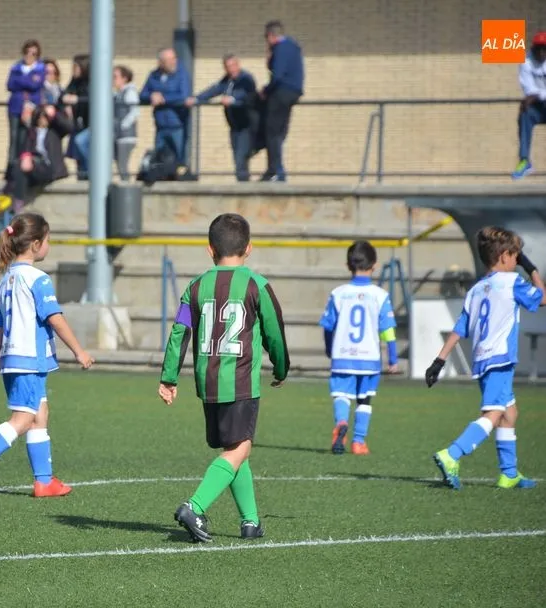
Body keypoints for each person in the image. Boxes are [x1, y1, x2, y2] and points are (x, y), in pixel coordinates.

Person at [159, 213, 290, 542]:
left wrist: (169, 377)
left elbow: (180, 332)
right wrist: (281, 367)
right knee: (239, 448)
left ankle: (250, 522)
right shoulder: (256, 285)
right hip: (242, 381)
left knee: (236, 448)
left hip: (208, 381)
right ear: (249, 248)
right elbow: (275, 331)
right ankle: (195, 506)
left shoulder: (194, 287)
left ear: (209, 249)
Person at [0, 213, 94, 501]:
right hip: (29, 359)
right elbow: (55, 318)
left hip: (12, 360)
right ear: (37, 244)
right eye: (49, 241)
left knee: (39, 415)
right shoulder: (38, 279)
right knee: (23, 418)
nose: (48, 246)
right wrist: (79, 350)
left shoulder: (7, 280)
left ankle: (44, 481)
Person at [426, 227, 545, 490]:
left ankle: (509, 473)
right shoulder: (513, 282)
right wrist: (532, 268)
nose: (518, 261)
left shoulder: (477, 289)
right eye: (516, 256)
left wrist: (439, 360)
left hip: (481, 360)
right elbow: (543, 297)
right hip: (501, 359)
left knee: (509, 413)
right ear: (505, 256)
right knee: (493, 413)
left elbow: (460, 328)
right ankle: (452, 454)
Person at [318, 241, 398, 456]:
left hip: (342, 355)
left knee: (341, 395)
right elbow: (388, 331)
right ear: (375, 265)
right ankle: (358, 442)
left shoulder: (338, 294)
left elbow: (327, 326)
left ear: (348, 265)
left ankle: (341, 422)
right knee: (365, 399)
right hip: (369, 358)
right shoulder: (380, 296)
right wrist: (393, 358)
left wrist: (329, 349)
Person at [186, 54, 258, 182]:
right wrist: (197, 98)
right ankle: (243, 184)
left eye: (233, 66)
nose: (231, 69)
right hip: (234, 126)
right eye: (228, 67)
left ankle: (244, 186)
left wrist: (233, 99)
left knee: (241, 157)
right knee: (237, 157)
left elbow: (246, 93)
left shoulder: (246, 78)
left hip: (246, 125)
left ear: (238, 65)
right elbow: (214, 89)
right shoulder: (227, 80)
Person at [260, 20, 304, 182]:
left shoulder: (280, 48)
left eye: (266, 38)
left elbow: (276, 75)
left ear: (271, 36)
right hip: (293, 92)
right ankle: (277, 170)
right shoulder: (293, 46)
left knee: (272, 131)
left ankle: (275, 171)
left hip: (281, 93)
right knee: (280, 131)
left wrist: (266, 90)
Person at [140, 48, 191, 168]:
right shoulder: (154, 75)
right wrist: (151, 96)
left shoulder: (181, 74)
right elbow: (142, 94)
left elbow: (183, 96)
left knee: (179, 159)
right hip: (160, 125)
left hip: (177, 124)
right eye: (169, 60)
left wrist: (164, 98)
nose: (173, 62)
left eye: (174, 59)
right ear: (161, 62)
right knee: (160, 158)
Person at [5, 40, 45, 179]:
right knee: (13, 138)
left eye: (34, 53)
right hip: (15, 108)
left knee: (25, 139)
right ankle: (10, 171)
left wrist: (20, 82)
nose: (30, 56)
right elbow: (10, 84)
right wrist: (27, 81)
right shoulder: (16, 67)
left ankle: (21, 169)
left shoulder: (40, 68)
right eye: (28, 52)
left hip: (30, 109)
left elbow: (36, 85)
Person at [512, 31, 546, 180]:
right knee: (525, 113)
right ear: (533, 48)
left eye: (544, 49)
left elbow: (533, 94)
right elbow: (528, 89)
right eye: (538, 48)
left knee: (529, 103)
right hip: (538, 107)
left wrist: (537, 95)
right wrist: (536, 95)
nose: (541, 52)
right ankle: (525, 161)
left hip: (538, 100)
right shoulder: (526, 61)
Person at [63, 54, 91, 179]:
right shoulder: (75, 81)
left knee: (80, 142)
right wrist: (66, 101)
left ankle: (92, 171)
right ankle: (82, 178)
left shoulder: (92, 82)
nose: (73, 70)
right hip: (78, 123)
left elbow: (92, 99)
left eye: (76, 67)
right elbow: (64, 94)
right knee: (78, 155)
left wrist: (77, 99)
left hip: (91, 124)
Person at [113, 65, 140, 181]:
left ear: (124, 78)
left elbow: (134, 111)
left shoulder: (130, 92)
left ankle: (126, 187)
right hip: (119, 135)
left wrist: (123, 125)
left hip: (126, 136)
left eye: (115, 77)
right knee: (119, 164)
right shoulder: (119, 93)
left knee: (122, 166)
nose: (113, 80)